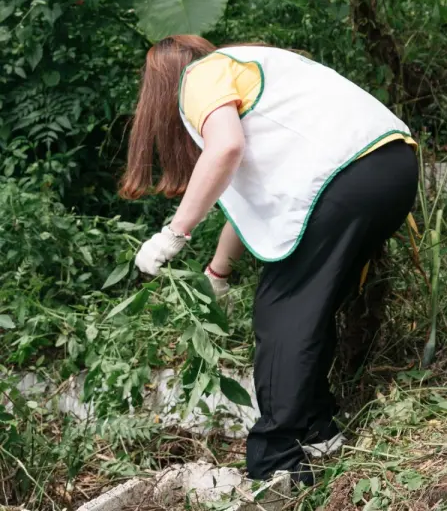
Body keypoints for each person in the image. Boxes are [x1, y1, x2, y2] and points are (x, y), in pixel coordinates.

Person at [119, 36, 419, 483]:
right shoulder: (253, 70)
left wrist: (172, 234)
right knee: (307, 306)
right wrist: (217, 271)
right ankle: (318, 428)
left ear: (162, 81)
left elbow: (224, 150)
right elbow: (247, 204)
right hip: (393, 165)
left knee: (281, 312)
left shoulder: (199, 76)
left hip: (347, 176)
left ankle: (276, 462)